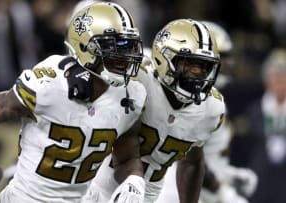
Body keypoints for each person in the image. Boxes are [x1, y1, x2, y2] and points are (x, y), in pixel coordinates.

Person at [0, 2, 147, 203]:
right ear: (85, 48)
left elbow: (127, 157)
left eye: (129, 47)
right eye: (115, 48)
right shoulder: (50, 84)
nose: (126, 58)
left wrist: (134, 180)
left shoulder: (132, 96)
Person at [83, 18, 225, 203]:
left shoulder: (211, 109)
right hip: (95, 182)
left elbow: (192, 161)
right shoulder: (137, 79)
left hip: (148, 195)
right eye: (189, 64)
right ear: (164, 58)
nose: (197, 73)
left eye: (203, 66)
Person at [155, 21, 258, 203]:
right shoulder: (188, 102)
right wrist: (223, 192)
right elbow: (183, 158)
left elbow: (206, 158)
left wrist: (230, 176)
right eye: (222, 57)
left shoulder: (213, 103)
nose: (227, 64)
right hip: (178, 190)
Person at [242, 48, 286, 203]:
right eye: (274, 76)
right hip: (259, 183)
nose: (278, 81)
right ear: (267, 79)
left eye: (283, 76)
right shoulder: (254, 110)